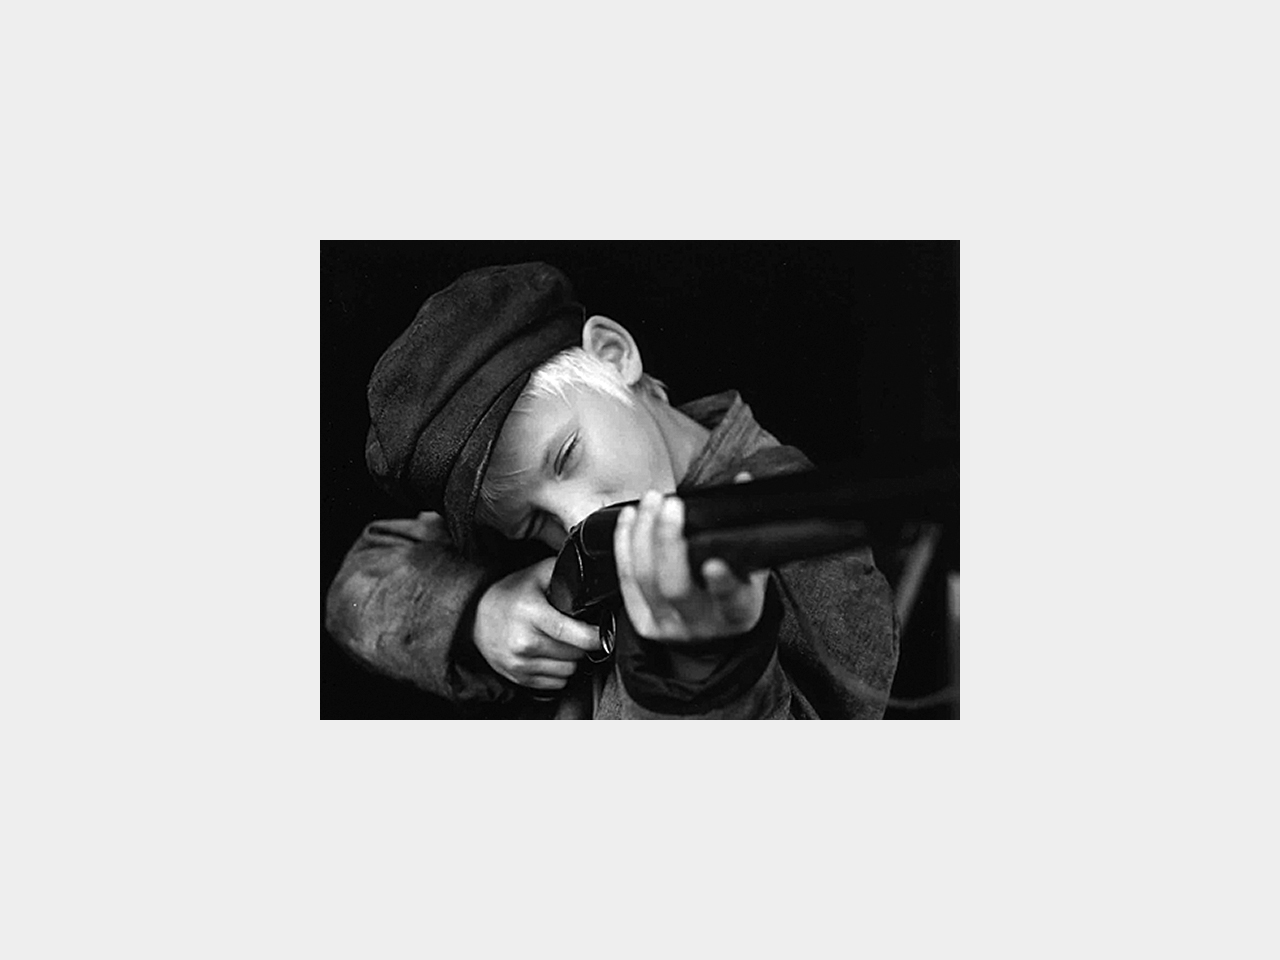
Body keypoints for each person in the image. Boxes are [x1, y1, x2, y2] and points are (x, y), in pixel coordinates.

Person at [325, 262, 898, 718]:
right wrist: (480, 611)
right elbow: (360, 582)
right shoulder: (564, 533)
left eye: (566, 456)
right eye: (532, 525)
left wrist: (704, 668)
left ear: (613, 355)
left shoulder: (802, 530)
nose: (577, 521)